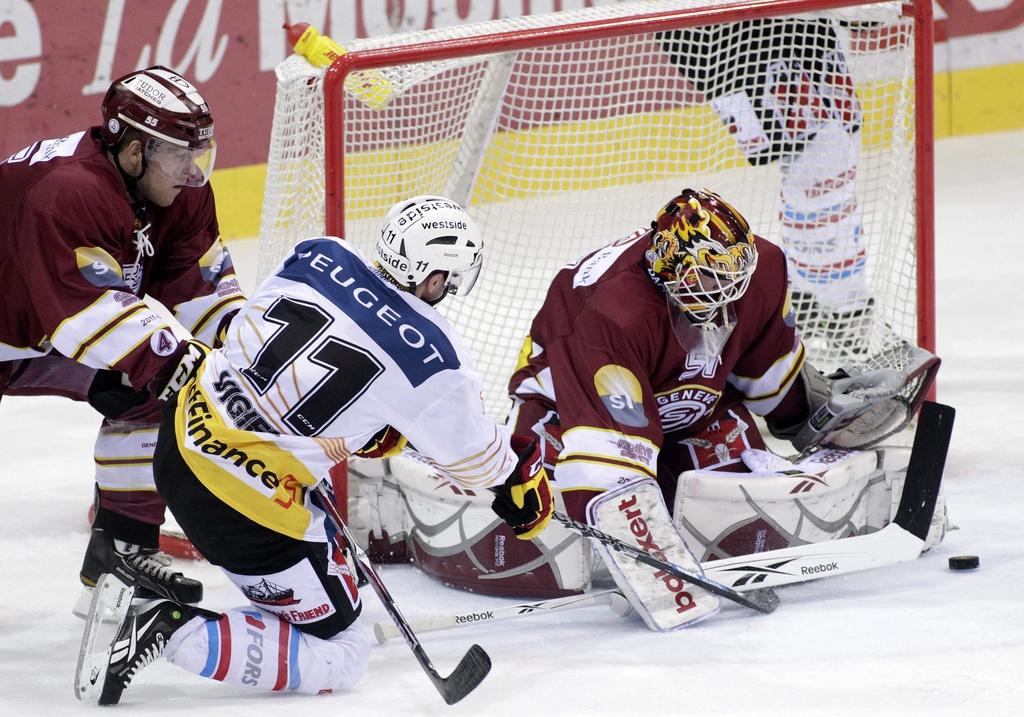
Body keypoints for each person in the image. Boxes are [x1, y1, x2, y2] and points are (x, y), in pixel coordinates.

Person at [395, 188, 938, 631]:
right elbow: (604, 465)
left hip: (683, 399)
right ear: (668, 268)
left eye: (734, 275)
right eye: (707, 279)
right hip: (570, 401)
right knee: (546, 493)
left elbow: (761, 361)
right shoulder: (614, 314)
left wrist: (809, 415)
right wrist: (659, 569)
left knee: (741, 488)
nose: (726, 291)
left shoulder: (761, 268)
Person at [88, 195, 548, 703]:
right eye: (451, 279)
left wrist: (360, 427)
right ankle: (164, 625)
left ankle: (313, 580)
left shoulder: (318, 253)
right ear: (435, 278)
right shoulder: (437, 357)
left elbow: (269, 347)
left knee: (317, 472)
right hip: (242, 513)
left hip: (180, 442)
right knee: (343, 652)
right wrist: (519, 480)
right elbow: (478, 461)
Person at [0, 66, 245, 614]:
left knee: (155, 395)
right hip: (34, 320)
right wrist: (181, 361)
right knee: (164, 368)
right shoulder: (66, 193)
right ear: (134, 152)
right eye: (181, 156)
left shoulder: (179, 196)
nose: (193, 173)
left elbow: (205, 293)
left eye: (198, 154)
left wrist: (256, 360)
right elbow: (88, 315)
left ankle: (122, 557)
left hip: (28, 329)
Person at [658, 19, 875, 351]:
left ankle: (809, 298)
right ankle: (842, 310)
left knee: (840, 141)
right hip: (730, 33)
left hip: (794, 22)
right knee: (820, 161)